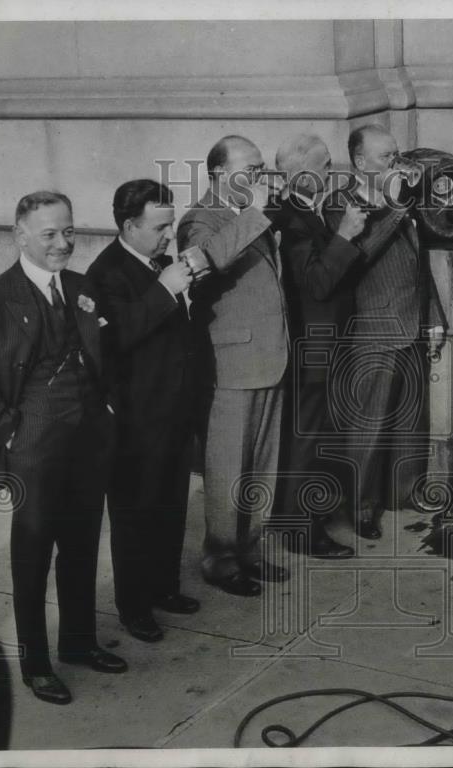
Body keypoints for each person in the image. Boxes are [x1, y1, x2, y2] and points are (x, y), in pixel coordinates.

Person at [0, 191, 126, 705]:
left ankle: (78, 643)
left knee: (81, 545)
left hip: (88, 439)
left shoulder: (81, 288)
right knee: (32, 553)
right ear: (21, 235)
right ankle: (36, 663)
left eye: (68, 231)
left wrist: (107, 411)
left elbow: (106, 355)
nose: (62, 243)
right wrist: (11, 430)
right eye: (49, 234)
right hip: (32, 442)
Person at [86, 179, 200, 643]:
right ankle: (133, 606)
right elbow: (111, 339)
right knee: (135, 514)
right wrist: (165, 290)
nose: (168, 235)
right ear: (130, 226)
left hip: (172, 410)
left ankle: (163, 588)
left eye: (170, 225)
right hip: (135, 419)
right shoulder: (105, 272)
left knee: (171, 505)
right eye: (159, 227)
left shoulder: (158, 262)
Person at [178, 135, 290, 597]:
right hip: (230, 363)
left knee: (261, 465)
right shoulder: (199, 219)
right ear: (222, 175)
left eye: (262, 169)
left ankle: (250, 549)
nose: (261, 178)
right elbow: (208, 262)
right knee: (228, 467)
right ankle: (221, 557)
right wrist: (256, 214)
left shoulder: (249, 214)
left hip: (268, 356)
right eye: (252, 170)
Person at [325, 124, 446, 539]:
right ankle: (360, 507)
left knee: (411, 420)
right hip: (374, 329)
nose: (396, 163)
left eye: (395, 155)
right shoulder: (341, 203)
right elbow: (355, 260)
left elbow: (419, 264)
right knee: (369, 425)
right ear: (360, 162)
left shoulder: (402, 200)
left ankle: (404, 491)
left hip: (412, 322)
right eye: (385, 157)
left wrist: (435, 316)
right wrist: (395, 208)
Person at [272, 134, 368, 558]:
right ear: (300, 171)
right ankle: (301, 530)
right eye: (325, 165)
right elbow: (315, 282)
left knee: (313, 437)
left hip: (324, 345)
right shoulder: (290, 218)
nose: (332, 172)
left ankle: (300, 519)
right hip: (313, 349)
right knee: (308, 441)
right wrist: (345, 235)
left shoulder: (306, 210)